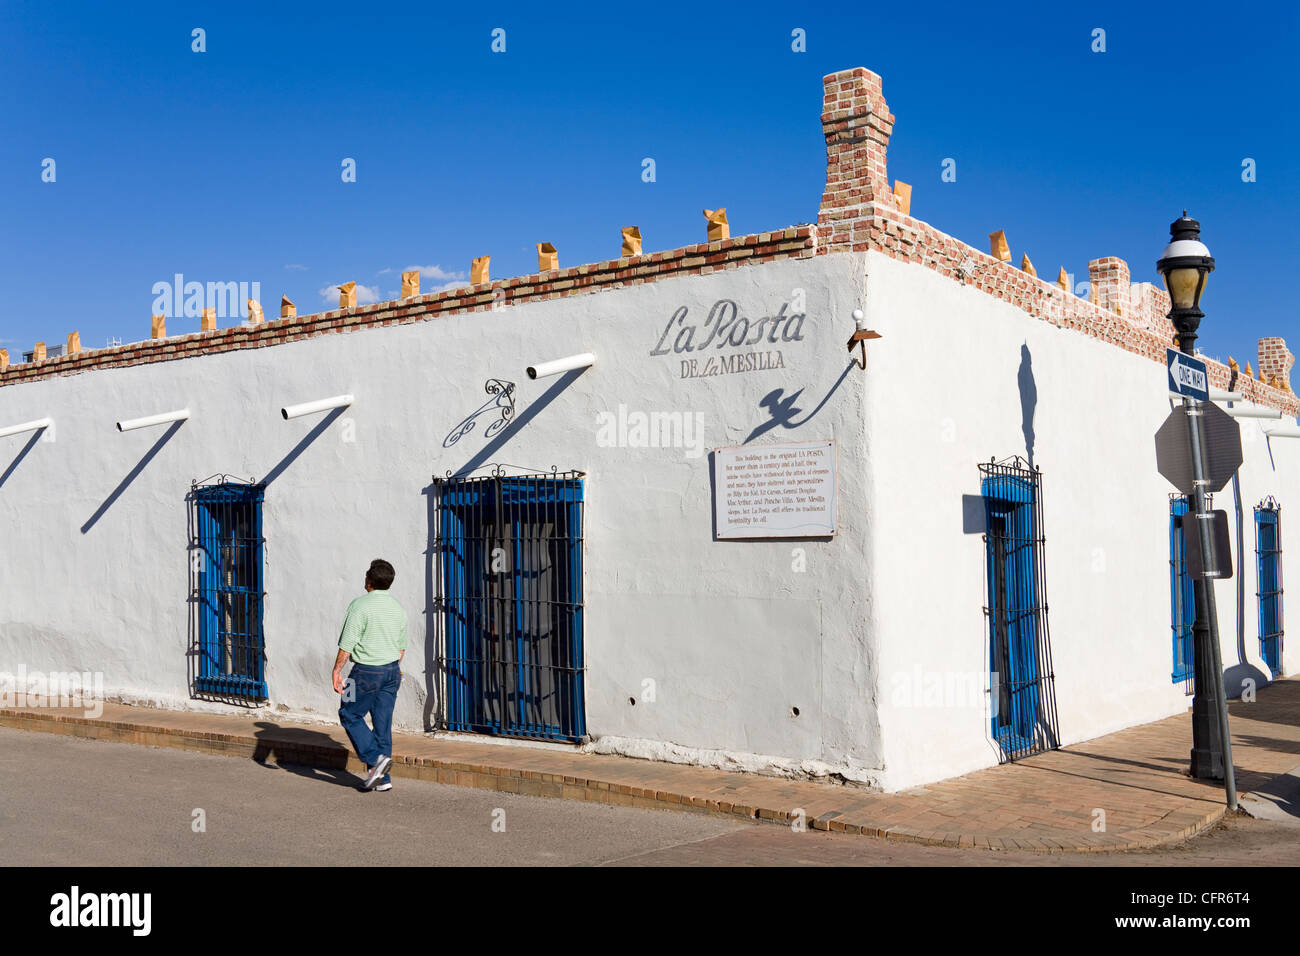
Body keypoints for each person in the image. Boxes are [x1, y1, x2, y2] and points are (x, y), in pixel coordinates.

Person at [332, 559, 408, 792]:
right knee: (382, 724)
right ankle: (383, 780)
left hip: (364, 672)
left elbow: (347, 643)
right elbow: (402, 647)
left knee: (348, 713)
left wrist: (336, 671)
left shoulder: (360, 605)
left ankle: (376, 761)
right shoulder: (397, 607)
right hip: (392, 671)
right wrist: (389, 668)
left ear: (369, 581)